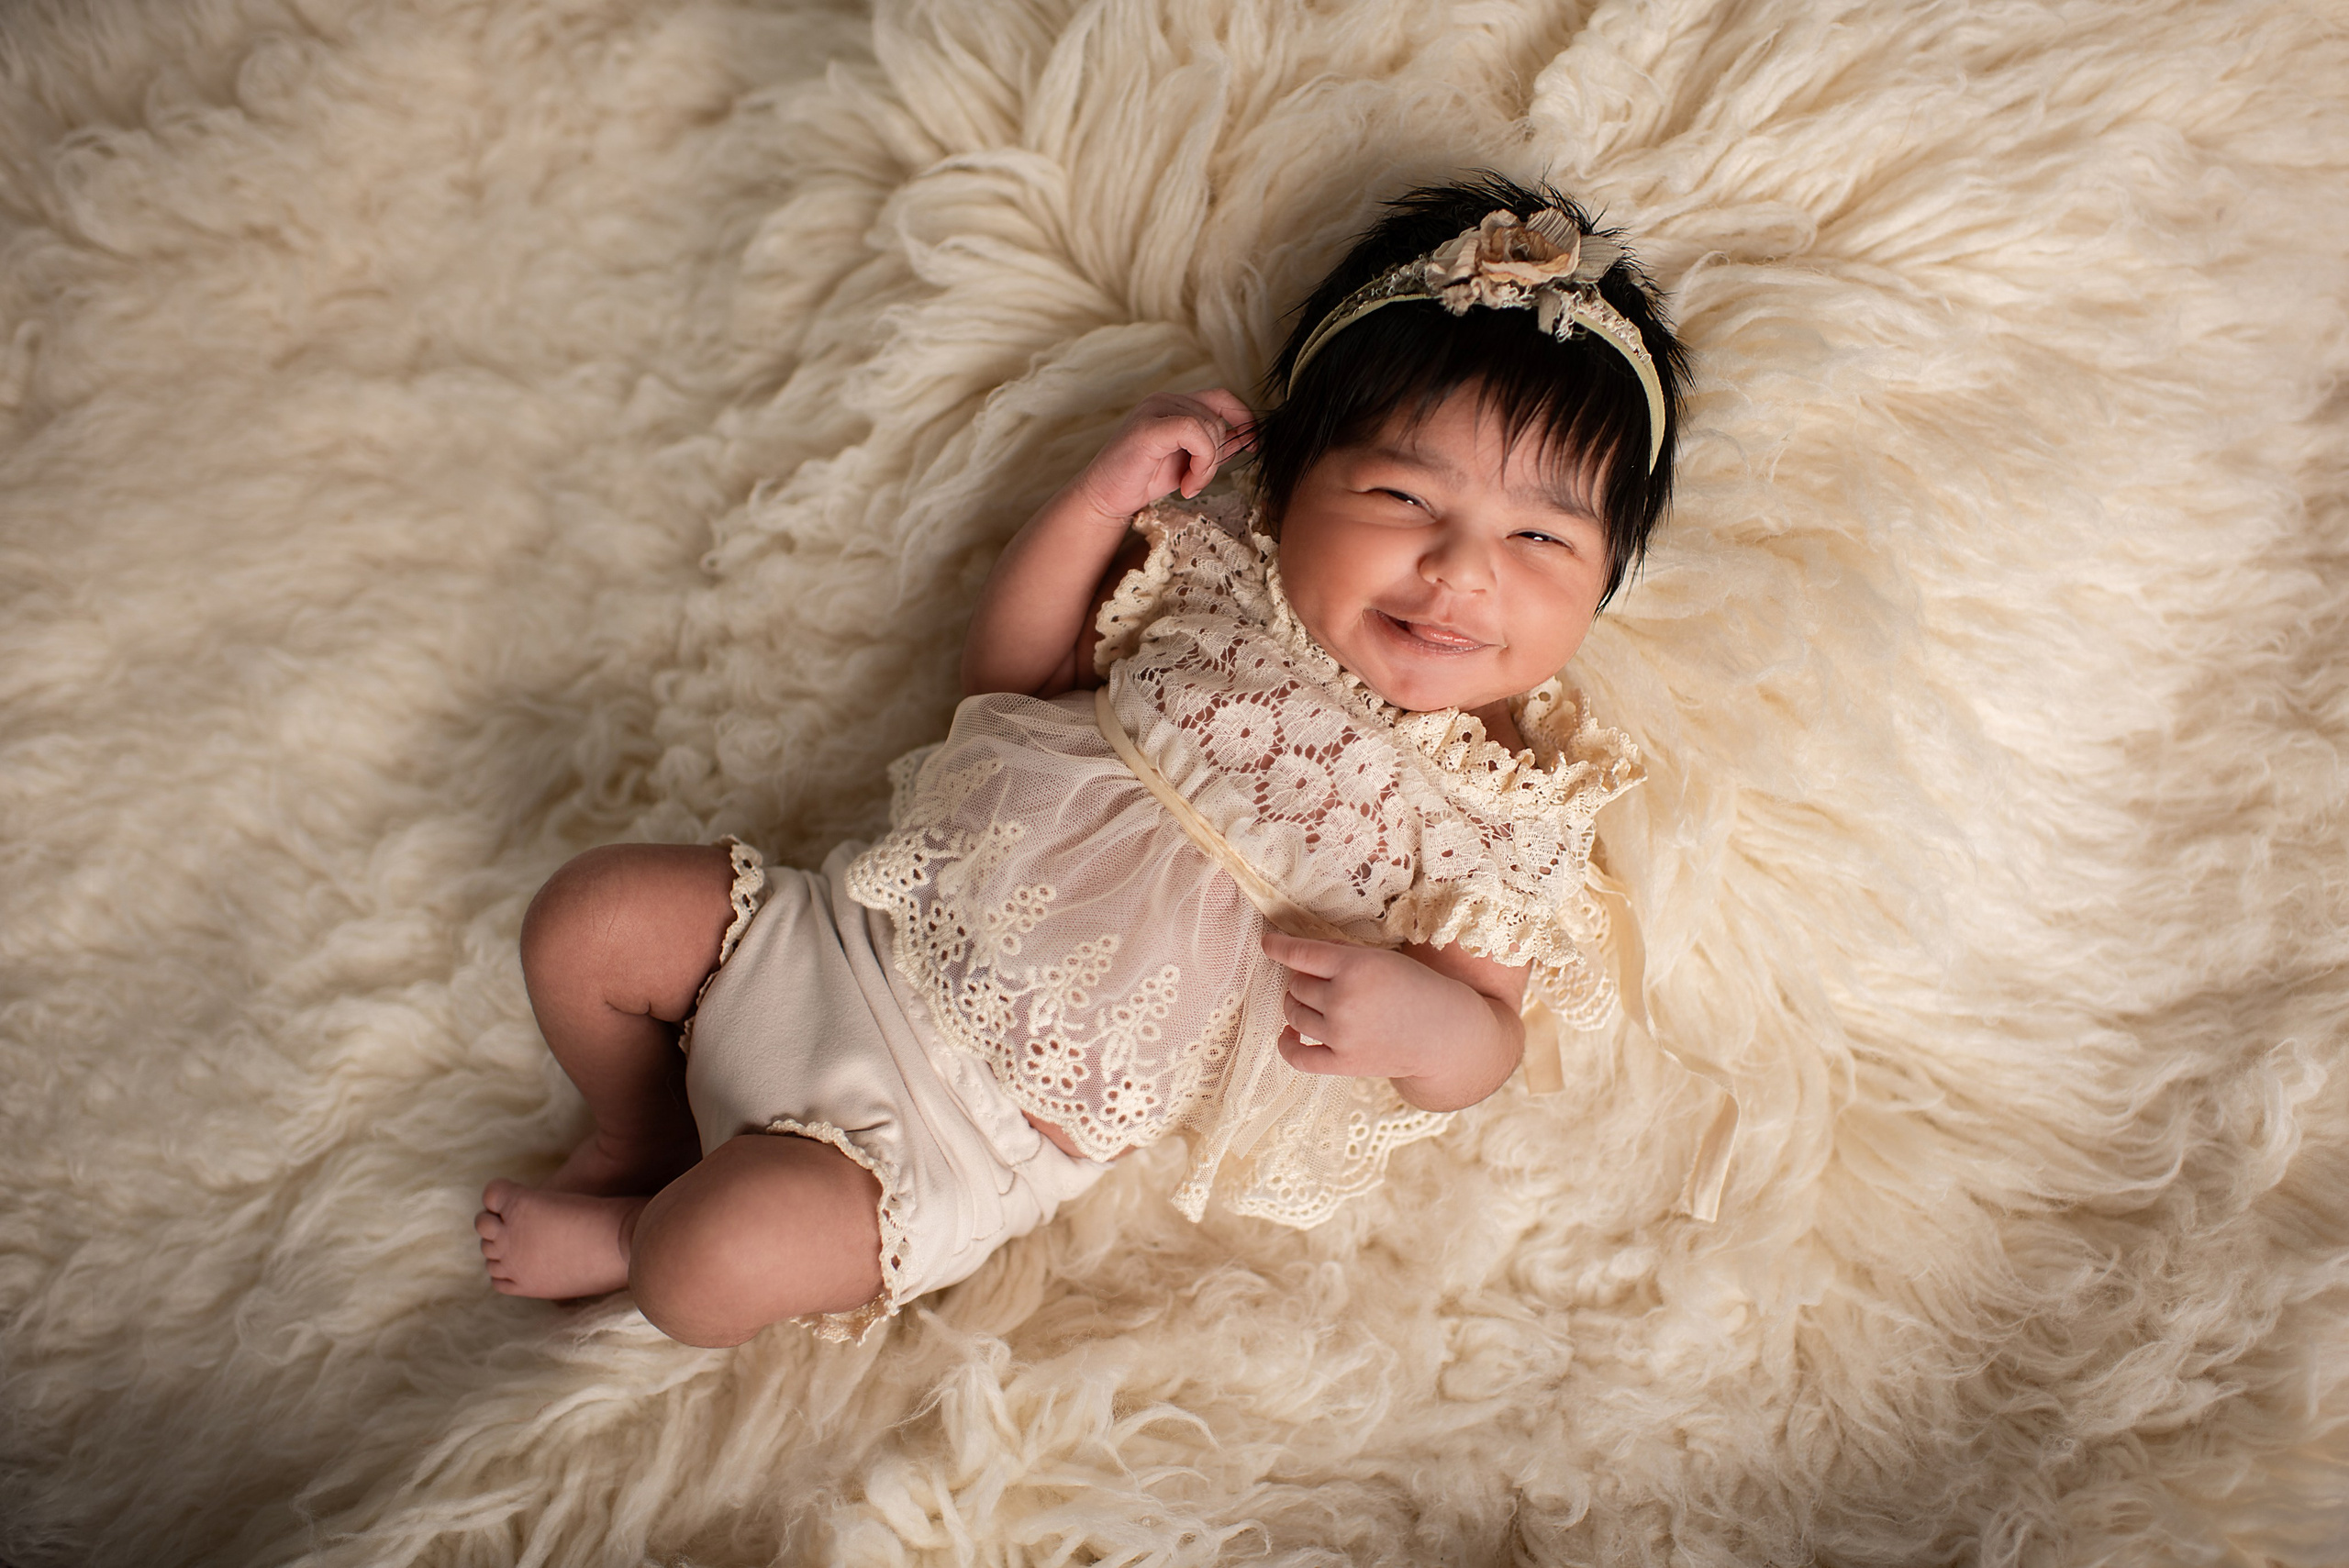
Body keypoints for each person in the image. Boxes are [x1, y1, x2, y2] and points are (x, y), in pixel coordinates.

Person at [475, 173, 1690, 1348]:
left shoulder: (1503, 806)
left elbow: (1490, 1037)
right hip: (838, 937)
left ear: (1607, 578)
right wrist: (1095, 503)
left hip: (959, 1144)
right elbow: (1007, 686)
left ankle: (636, 1232)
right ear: (1290, 476)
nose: (1463, 570)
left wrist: (1426, 1026)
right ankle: (639, 1132)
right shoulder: (1221, 586)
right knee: (589, 919)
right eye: (1402, 496)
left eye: (1541, 538)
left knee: (703, 1267)